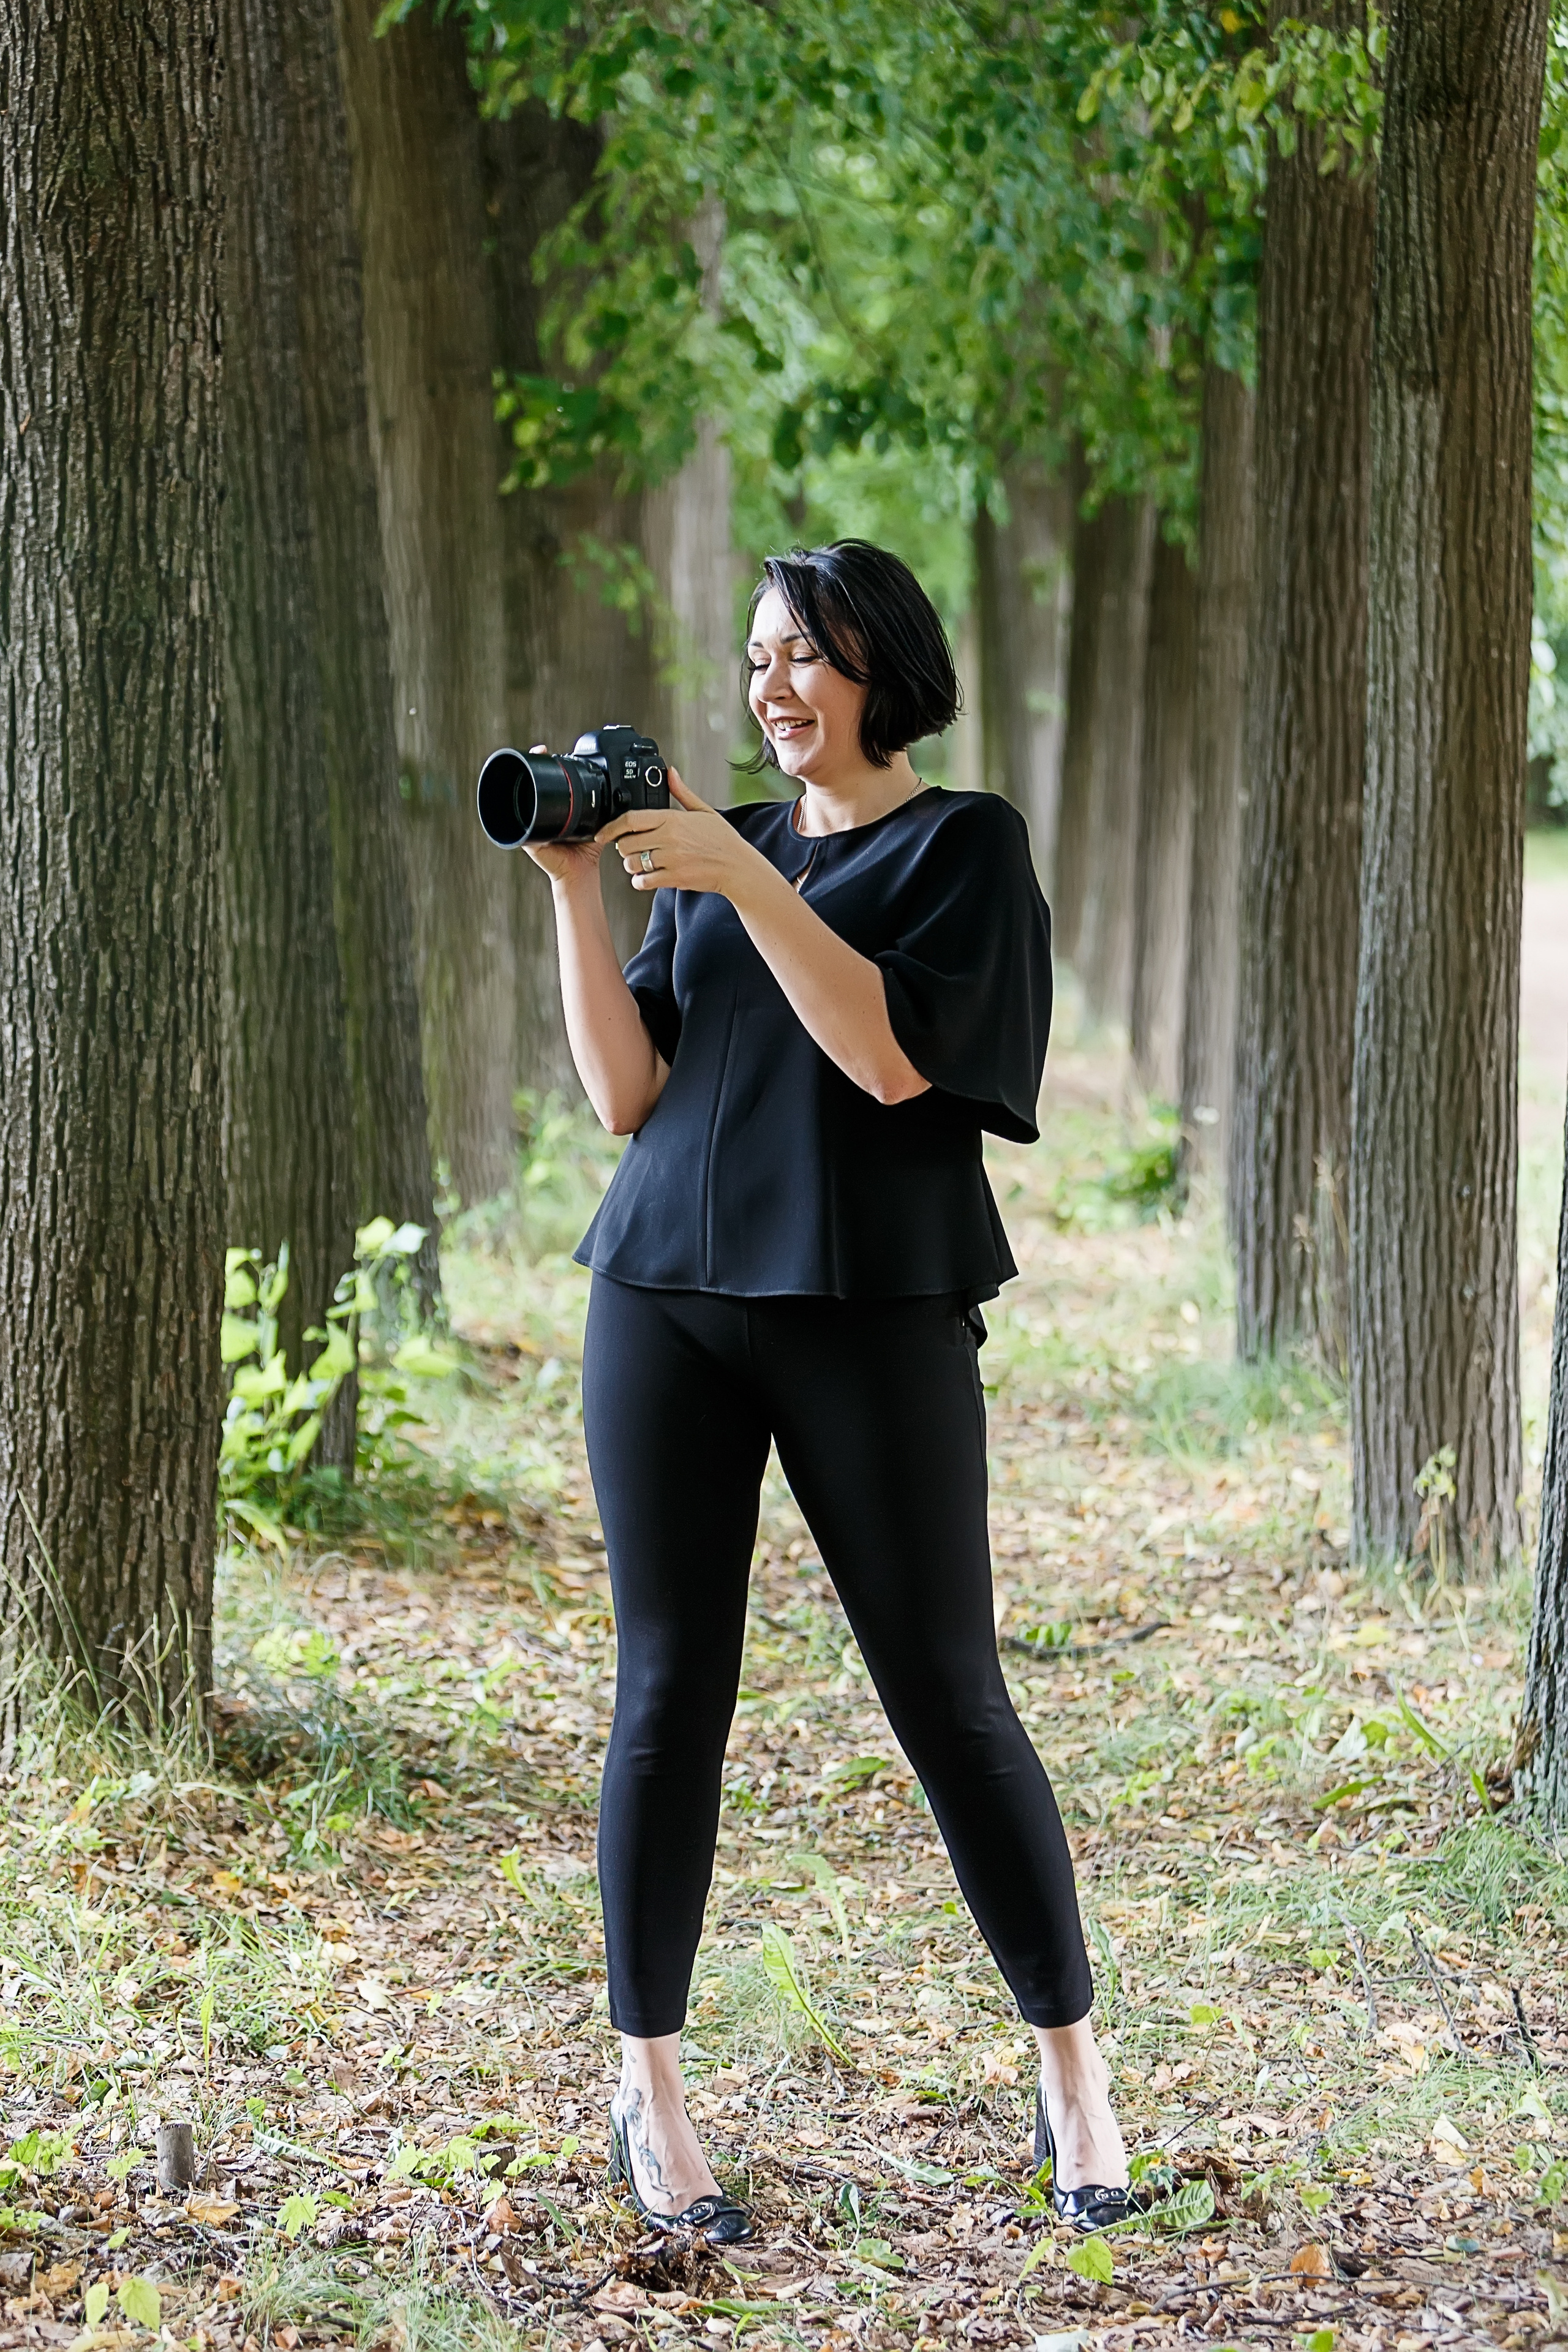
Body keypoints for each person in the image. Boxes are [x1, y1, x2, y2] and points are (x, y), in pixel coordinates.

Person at [525, 539, 1137, 2240]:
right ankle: (651, 2095)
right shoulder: (718, 860)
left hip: (870, 1309)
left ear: (885, 672)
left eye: (806, 654)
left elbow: (882, 1057)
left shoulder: (964, 847)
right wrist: (578, 890)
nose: (774, 687)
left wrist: (741, 872)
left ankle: (1075, 2079)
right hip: (661, 1298)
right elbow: (625, 1097)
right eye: (757, 659)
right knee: (667, 1695)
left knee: (950, 1694)